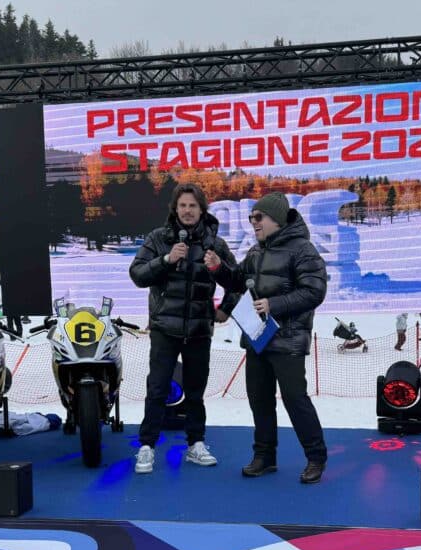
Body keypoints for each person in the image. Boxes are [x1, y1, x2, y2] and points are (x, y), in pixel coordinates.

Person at [205, 192, 329, 484]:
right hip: (258, 338)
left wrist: (276, 305)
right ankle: (264, 456)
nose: (253, 223)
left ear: (277, 218)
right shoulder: (256, 251)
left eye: (258, 217)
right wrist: (218, 269)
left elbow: (315, 291)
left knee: (294, 399)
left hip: (287, 340)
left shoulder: (303, 250)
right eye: (251, 218)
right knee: (259, 399)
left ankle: (316, 457)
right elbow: (237, 280)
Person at [129, 182, 239, 474]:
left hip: (199, 330)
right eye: (183, 206)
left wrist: (224, 305)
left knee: (195, 391)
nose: (188, 211)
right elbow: (137, 274)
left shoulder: (215, 243)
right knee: (157, 388)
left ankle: (196, 443)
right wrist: (166, 260)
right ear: (175, 209)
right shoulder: (158, 238)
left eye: (193, 206)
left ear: (202, 209)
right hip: (165, 327)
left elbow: (238, 282)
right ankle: (147, 446)